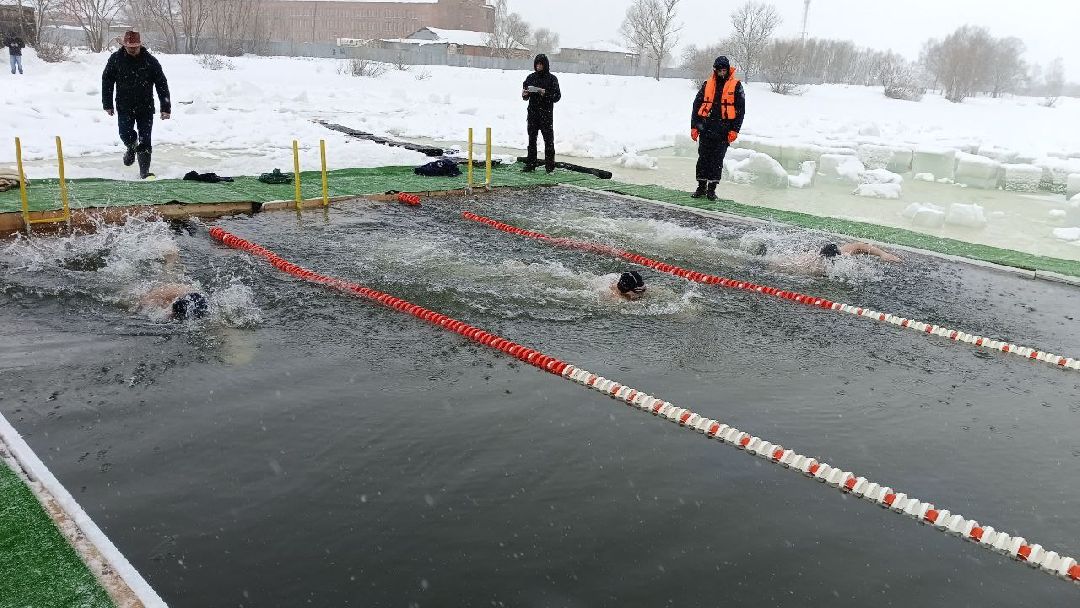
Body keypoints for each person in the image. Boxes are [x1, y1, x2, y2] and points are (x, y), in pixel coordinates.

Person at [102, 31, 171, 180]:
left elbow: (161, 84)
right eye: (129, 47)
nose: (133, 49)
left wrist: (165, 108)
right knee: (124, 134)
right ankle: (131, 147)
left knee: (145, 140)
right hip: (124, 106)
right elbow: (107, 80)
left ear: (140, 45)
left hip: (145, 107)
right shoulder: (116, 59)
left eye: (135, 46)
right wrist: (107, 103)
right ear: (124, 45)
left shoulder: (150, 61)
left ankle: (144, 172)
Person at [690, 56, 745, 201]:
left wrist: (735, 130)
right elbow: (696, 105)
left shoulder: (737, 86)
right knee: (703, 158)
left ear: (728, 70)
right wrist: (694, 126)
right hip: (706, 128)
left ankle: (711, 190)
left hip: (723, 131)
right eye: (719, 70)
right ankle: (701, 187)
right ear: (715, 70)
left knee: (717, 160)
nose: (721, 73)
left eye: (724, 70)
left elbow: (740, 110)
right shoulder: (707, 84)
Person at [521, 54, 561, 174]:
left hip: (546, 115)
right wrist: (525, 94)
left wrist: (545, 93)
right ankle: (531, 164)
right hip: (533, 114)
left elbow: (557, 96)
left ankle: (549, 166)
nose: (538, 66)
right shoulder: (530, 77)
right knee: (531, 140)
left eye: (541, 64)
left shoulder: (552, 79)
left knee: (548, 141)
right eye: (537, 64)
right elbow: (525, 96)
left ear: (545, 65)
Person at [139, 284, 209, 321]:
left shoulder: (200, 304)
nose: (170, 315)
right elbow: (141, 302)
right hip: (160, 290)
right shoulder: (161, 296)